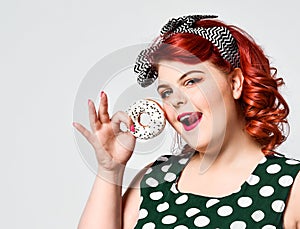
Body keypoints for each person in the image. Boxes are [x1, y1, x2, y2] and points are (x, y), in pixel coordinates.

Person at [73, 15, 300, 228]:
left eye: (191, 81)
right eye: (166, 92)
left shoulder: (292, 185)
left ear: (235, 83)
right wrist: (110, 169)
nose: (177, 100)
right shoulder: (155, 179)